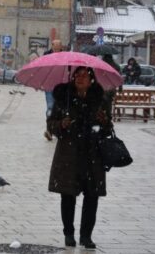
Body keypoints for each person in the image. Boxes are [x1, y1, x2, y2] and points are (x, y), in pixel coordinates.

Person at [47, 66, 112, 250]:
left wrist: (104, 121)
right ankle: (69, 233)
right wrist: (62, 124)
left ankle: (86, 236)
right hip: (69, 154)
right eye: (78, 74)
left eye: (85, 75)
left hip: (93, 154)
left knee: (92, 197)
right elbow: (51, 126)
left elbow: (108, 129)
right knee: (67, 195)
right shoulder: (63, 98)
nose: (80, 78)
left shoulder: (100, 100)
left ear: (92, 79)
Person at [43, 39, 65, 141]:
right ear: (52, 47)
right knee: (50, 107)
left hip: (61, 86)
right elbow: (43, 68)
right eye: (54, 48)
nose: (56, 50)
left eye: (58, 48)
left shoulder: (65, 56)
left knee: (61, 108)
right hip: (50, 85)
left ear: (61, 48)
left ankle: (58, 130)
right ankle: (49, 130)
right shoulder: (46, 55)